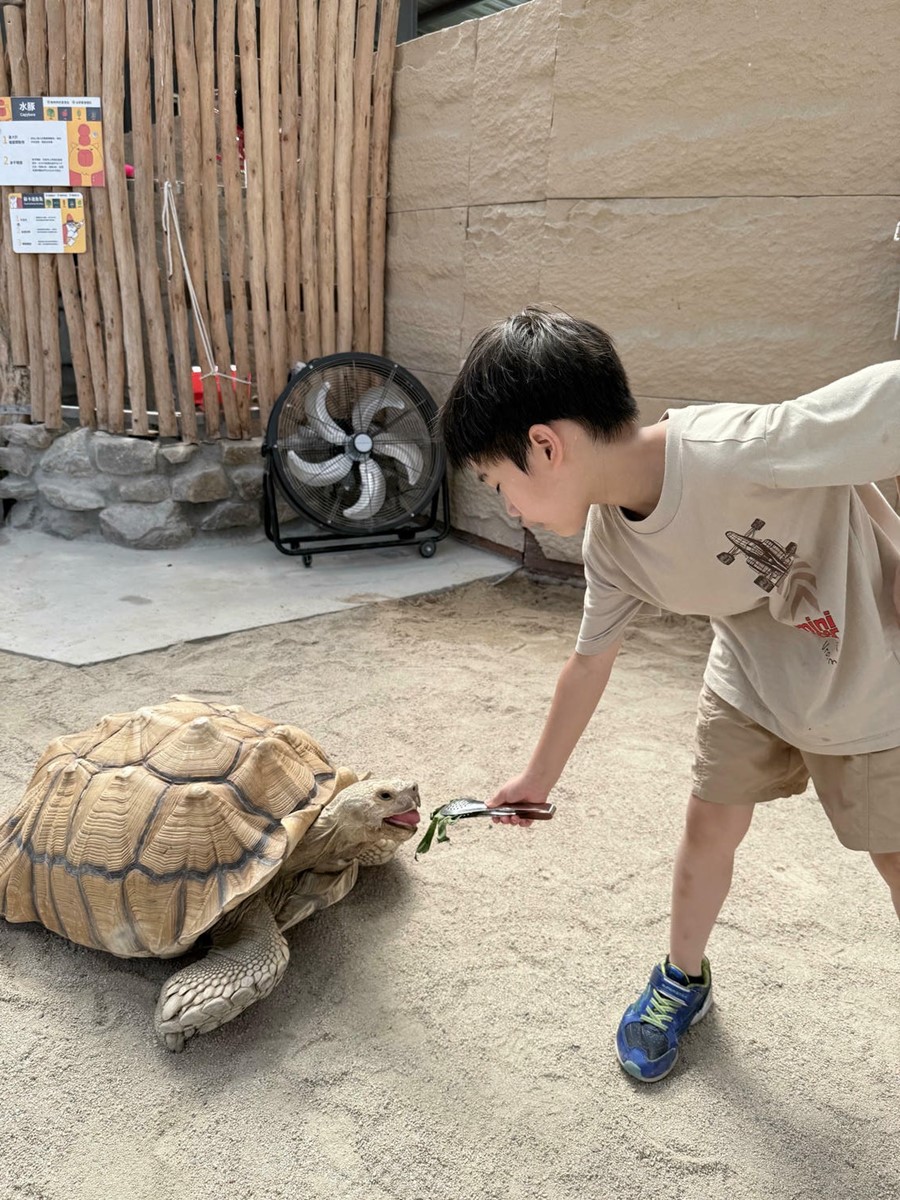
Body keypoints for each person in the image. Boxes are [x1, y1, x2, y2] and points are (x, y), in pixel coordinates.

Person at [438, 306, 900, 1082]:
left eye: (497, 482)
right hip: (751, 675)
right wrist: (537, 780)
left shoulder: (737, 448)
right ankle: (682, 977)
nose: (506, 507)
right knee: (708, 826)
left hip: (869, 676)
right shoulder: (612, 545)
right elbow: (589, 662)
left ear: (545, 446)